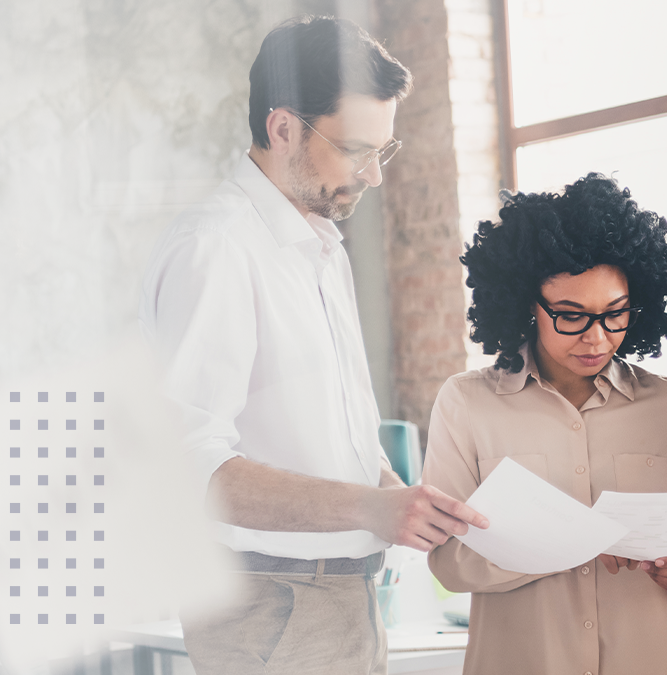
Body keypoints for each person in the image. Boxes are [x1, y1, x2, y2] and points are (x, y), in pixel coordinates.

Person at [139, 16, 486, 674]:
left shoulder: (319, 244)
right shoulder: (216, 248)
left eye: (384, 151)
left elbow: (332, 436)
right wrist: (371, 507)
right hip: (273, 603)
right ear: (283, 128)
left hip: (342, 595)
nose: (374, 176)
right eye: (357, 149)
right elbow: (189, 467)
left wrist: (401, 498)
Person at [421, 174, 667, 675]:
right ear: (527, 304)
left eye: (615, 314)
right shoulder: (466, 404)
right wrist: (565, 544)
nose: (597, 338)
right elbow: (448, 561)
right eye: (570, 315)